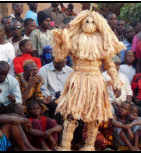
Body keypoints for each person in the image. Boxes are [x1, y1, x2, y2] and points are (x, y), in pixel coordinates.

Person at [52, 10, 125, 151]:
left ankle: (89, 145)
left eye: (93, 22)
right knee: (71, 113)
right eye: (87, 21)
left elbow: (109, 64)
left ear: (98, 24)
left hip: (95, 80)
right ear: (81, 22)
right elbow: (60, 56)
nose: (90, 24)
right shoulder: (74, 38)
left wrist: (116, 81)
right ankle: (65, 146)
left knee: (94, 114)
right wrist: (62, 37)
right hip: (78, 78)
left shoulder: (101, 40)